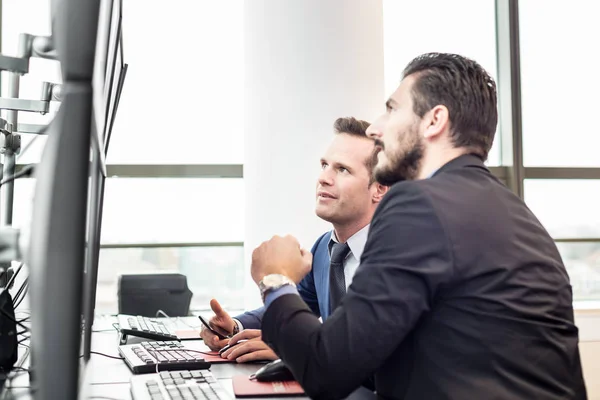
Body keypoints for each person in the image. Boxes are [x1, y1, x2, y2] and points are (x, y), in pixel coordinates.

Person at [249, 53, 587, 399]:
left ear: (434, 121)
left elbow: (326, 368)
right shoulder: (515, 213)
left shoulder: (419, 204)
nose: (375, 128)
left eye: (393, 109)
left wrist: (275, 280)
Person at [200, 117, 388, 363]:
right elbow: (291, 306)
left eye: (342, 169)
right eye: (324, 165)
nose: (324, 178)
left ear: (379, 188)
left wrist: (294, 349)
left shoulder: (394, 255)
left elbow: (377, 348)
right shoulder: (324, 248)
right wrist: (234, 327)